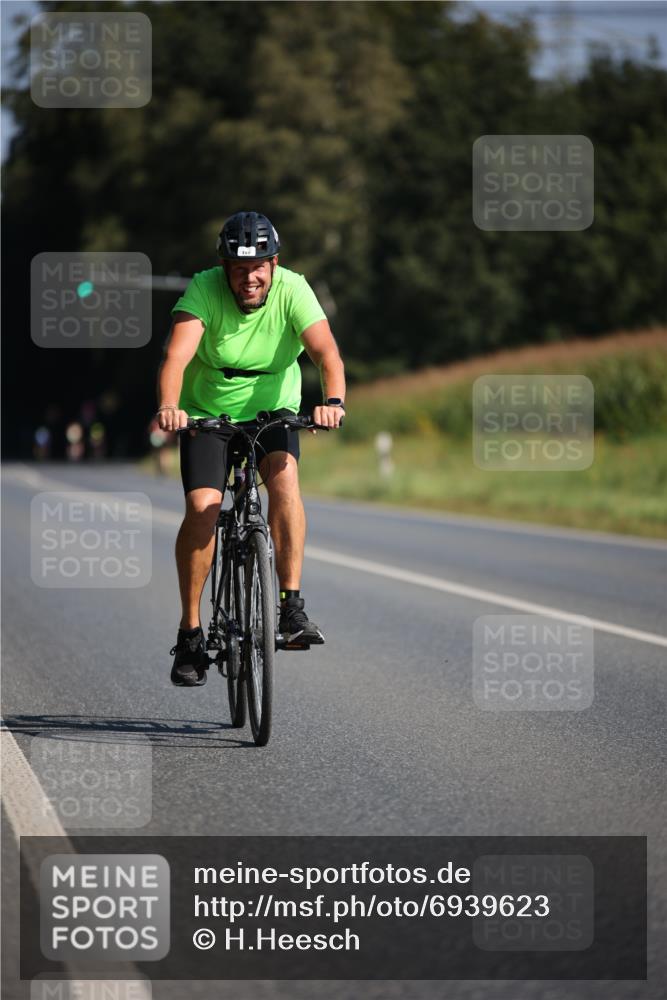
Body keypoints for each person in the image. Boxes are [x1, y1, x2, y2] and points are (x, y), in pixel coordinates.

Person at [156, 211, 346, 686]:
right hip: (207, 413)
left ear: (274, 263)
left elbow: (327, 354)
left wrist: (333, 402)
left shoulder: (293, 289)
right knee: (203, 506)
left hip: (274, 411)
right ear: (224, 268)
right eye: (239, 269)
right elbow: (177, 357)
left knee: (284, 483)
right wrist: (169, 406)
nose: (249, 279)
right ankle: (191, 633)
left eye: (258, 267)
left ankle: (290, 607)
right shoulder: (203, 289)